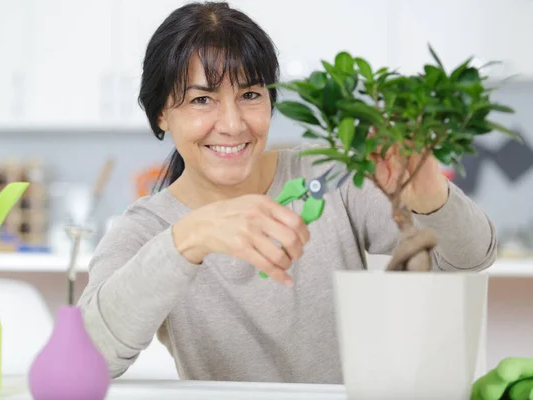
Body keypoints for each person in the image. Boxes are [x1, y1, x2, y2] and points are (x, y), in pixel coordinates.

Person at [78, 1, 497, 384]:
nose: (232, 124)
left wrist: (429, 195)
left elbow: (471, 259)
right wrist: (189, 238)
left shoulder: (328, 176)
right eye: (202, 99)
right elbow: (87, 357)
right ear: (161, 115)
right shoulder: (146, 228)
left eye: (250, 95)